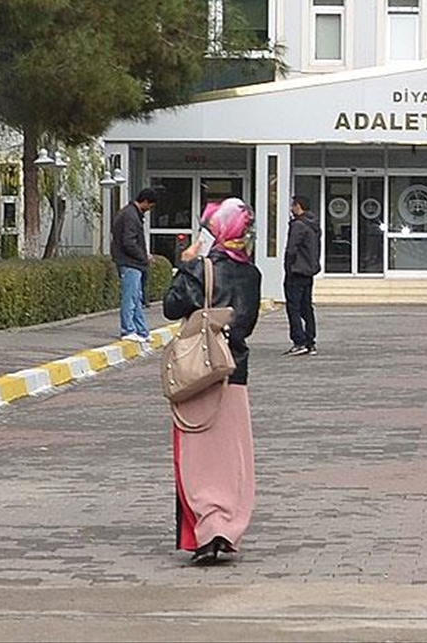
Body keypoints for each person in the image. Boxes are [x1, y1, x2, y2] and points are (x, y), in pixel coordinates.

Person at [162, 198, 263, 562]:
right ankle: (227, 526)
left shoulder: (199, 269)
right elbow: (246, 323)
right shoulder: (252, 274)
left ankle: (206, 530)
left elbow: (171, 307)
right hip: (233, 371)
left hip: (198, 374)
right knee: (230, 458)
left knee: (197, 457)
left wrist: (186, 264)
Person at [110, 187, 158, 343]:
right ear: (145, 202)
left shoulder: (129, 213)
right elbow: (129, 242)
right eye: (150, 206)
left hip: (132, 262)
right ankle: (128, 330)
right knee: (130, 298)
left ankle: (141, 331)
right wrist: (143, 257)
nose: (149, 210)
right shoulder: (131, 216)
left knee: (136, 297)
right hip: (130, 262)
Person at [283, 195, 321, 356]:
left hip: (296, 271)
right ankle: (310, 341)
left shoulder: (298, 225)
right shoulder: (313, 225)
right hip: (308, 271)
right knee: (307, 307)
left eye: (293, 205)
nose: (291, 209)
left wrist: (288, 267)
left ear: (298, 206)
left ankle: (299, 341)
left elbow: (291, 249)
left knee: (293, 307)